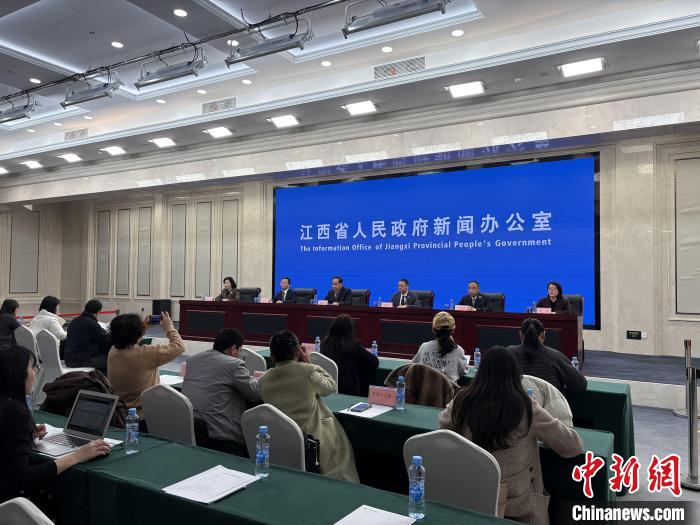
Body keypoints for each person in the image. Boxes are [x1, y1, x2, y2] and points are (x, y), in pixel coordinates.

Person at [439, 346, 583, 525]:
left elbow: (444, 425)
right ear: (515, 374)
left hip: (474, 494)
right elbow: (573, 445)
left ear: (481, 372)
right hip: (521, 504)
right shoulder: (526, 406)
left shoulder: (463, 399)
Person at [0, 345, 110, 505]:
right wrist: (77, 456)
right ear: (18, 375)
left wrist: (26, 435)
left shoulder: (6, 406)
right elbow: (22, 478)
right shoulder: (15, 412)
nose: (35, 372)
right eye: (33, 368)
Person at [258, 329, 359, 482]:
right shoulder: (308, 371)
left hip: (280, 441)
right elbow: (331, 386)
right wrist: (308, 362)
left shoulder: (263, 380)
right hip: (313, 441)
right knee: (340, 446)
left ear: (272, 356)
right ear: (297, 351)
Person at [181, 329, 261, 457]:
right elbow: (255, 393)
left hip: (191, 431)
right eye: (239, 351)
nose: (239, 355)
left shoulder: (193, 360)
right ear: (233, 348)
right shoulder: (234, 364)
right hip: (222, 436)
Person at [107, 311, 184, 423]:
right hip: (145, 416)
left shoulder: (113, 351)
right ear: (137, 333)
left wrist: (141, 328)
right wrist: (169, 328)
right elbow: (179, 346)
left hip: (120, 413)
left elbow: (129, 340)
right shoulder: (145, 353)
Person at [508, 318, 587, 394]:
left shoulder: (509, 354)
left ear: (520, 334)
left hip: (516, 403)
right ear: (543, 335)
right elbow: (580, 385)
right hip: (549, 404)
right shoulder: (556, 357)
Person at [320, 314, 379, 396]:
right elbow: (374, 362)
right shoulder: (353, 345)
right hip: (347, 389)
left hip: (326, 385)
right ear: (351, 330)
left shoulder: (324, 343)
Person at [412, 311, 467, 382]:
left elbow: (413, 366)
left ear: (433, 329)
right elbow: (463, 372)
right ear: (453, 330)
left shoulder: (424, 347)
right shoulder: (459, 350)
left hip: (425, 388)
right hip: (449, 389)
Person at [63, 300, 111, 374]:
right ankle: (101, 380)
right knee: (110, 359)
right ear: (98, 311)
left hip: (69, 359)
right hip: (80, 361)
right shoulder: (92, 324)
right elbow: (106, 339)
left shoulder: (74, 321)